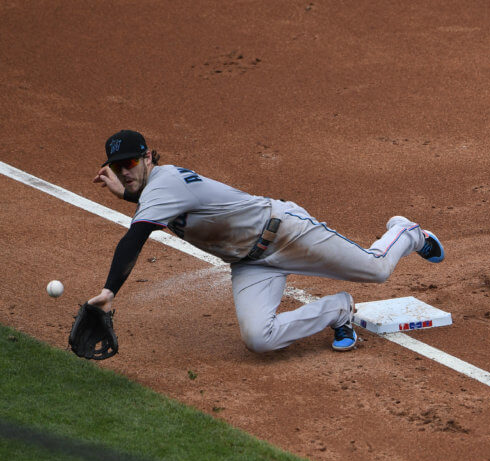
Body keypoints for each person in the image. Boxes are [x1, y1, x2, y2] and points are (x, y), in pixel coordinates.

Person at [89, 130, 445, 352]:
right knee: (259, 339)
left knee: (377, 269)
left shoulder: (165, 183)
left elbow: (134, 238)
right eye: (118, 166)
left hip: (287, 232)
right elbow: (161, 208)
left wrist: (108, 293)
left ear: (148, 156)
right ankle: (338, 310)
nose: (125, 171)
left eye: (131, 162)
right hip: (250, 264)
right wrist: (128, 196)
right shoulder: (158, 190)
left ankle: (407, 231)